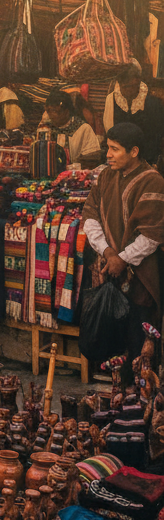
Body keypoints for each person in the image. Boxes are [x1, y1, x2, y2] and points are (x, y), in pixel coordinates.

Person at [82, 122, 164, 366]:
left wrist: (123, 259)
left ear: (134, 151)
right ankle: (118, 390)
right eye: (108, 148)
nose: (108, 154)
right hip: (110, 269)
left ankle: (138, 394)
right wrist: (108, 253)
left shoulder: (153, 182)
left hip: (140, 276)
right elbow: (90, 216)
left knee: (139, 340)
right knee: (114, 340)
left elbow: (153, 235)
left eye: (115, 149)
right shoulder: (106, 176)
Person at [104, 63, 164, 167]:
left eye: (133, 86)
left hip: (147, 158)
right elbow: (110, 132)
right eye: (126, 87)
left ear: (139, 82)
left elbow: (157, 135)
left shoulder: (153, 103)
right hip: (120, 159)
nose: (130, 90)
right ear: (120, 84)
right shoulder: (112, 100)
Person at [41, 90, 102, 168]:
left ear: (66, 112)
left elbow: (92, 159)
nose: (50, 115)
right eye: (48, 111)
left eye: (54, 111)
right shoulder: (45, 127)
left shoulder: (83, 129)